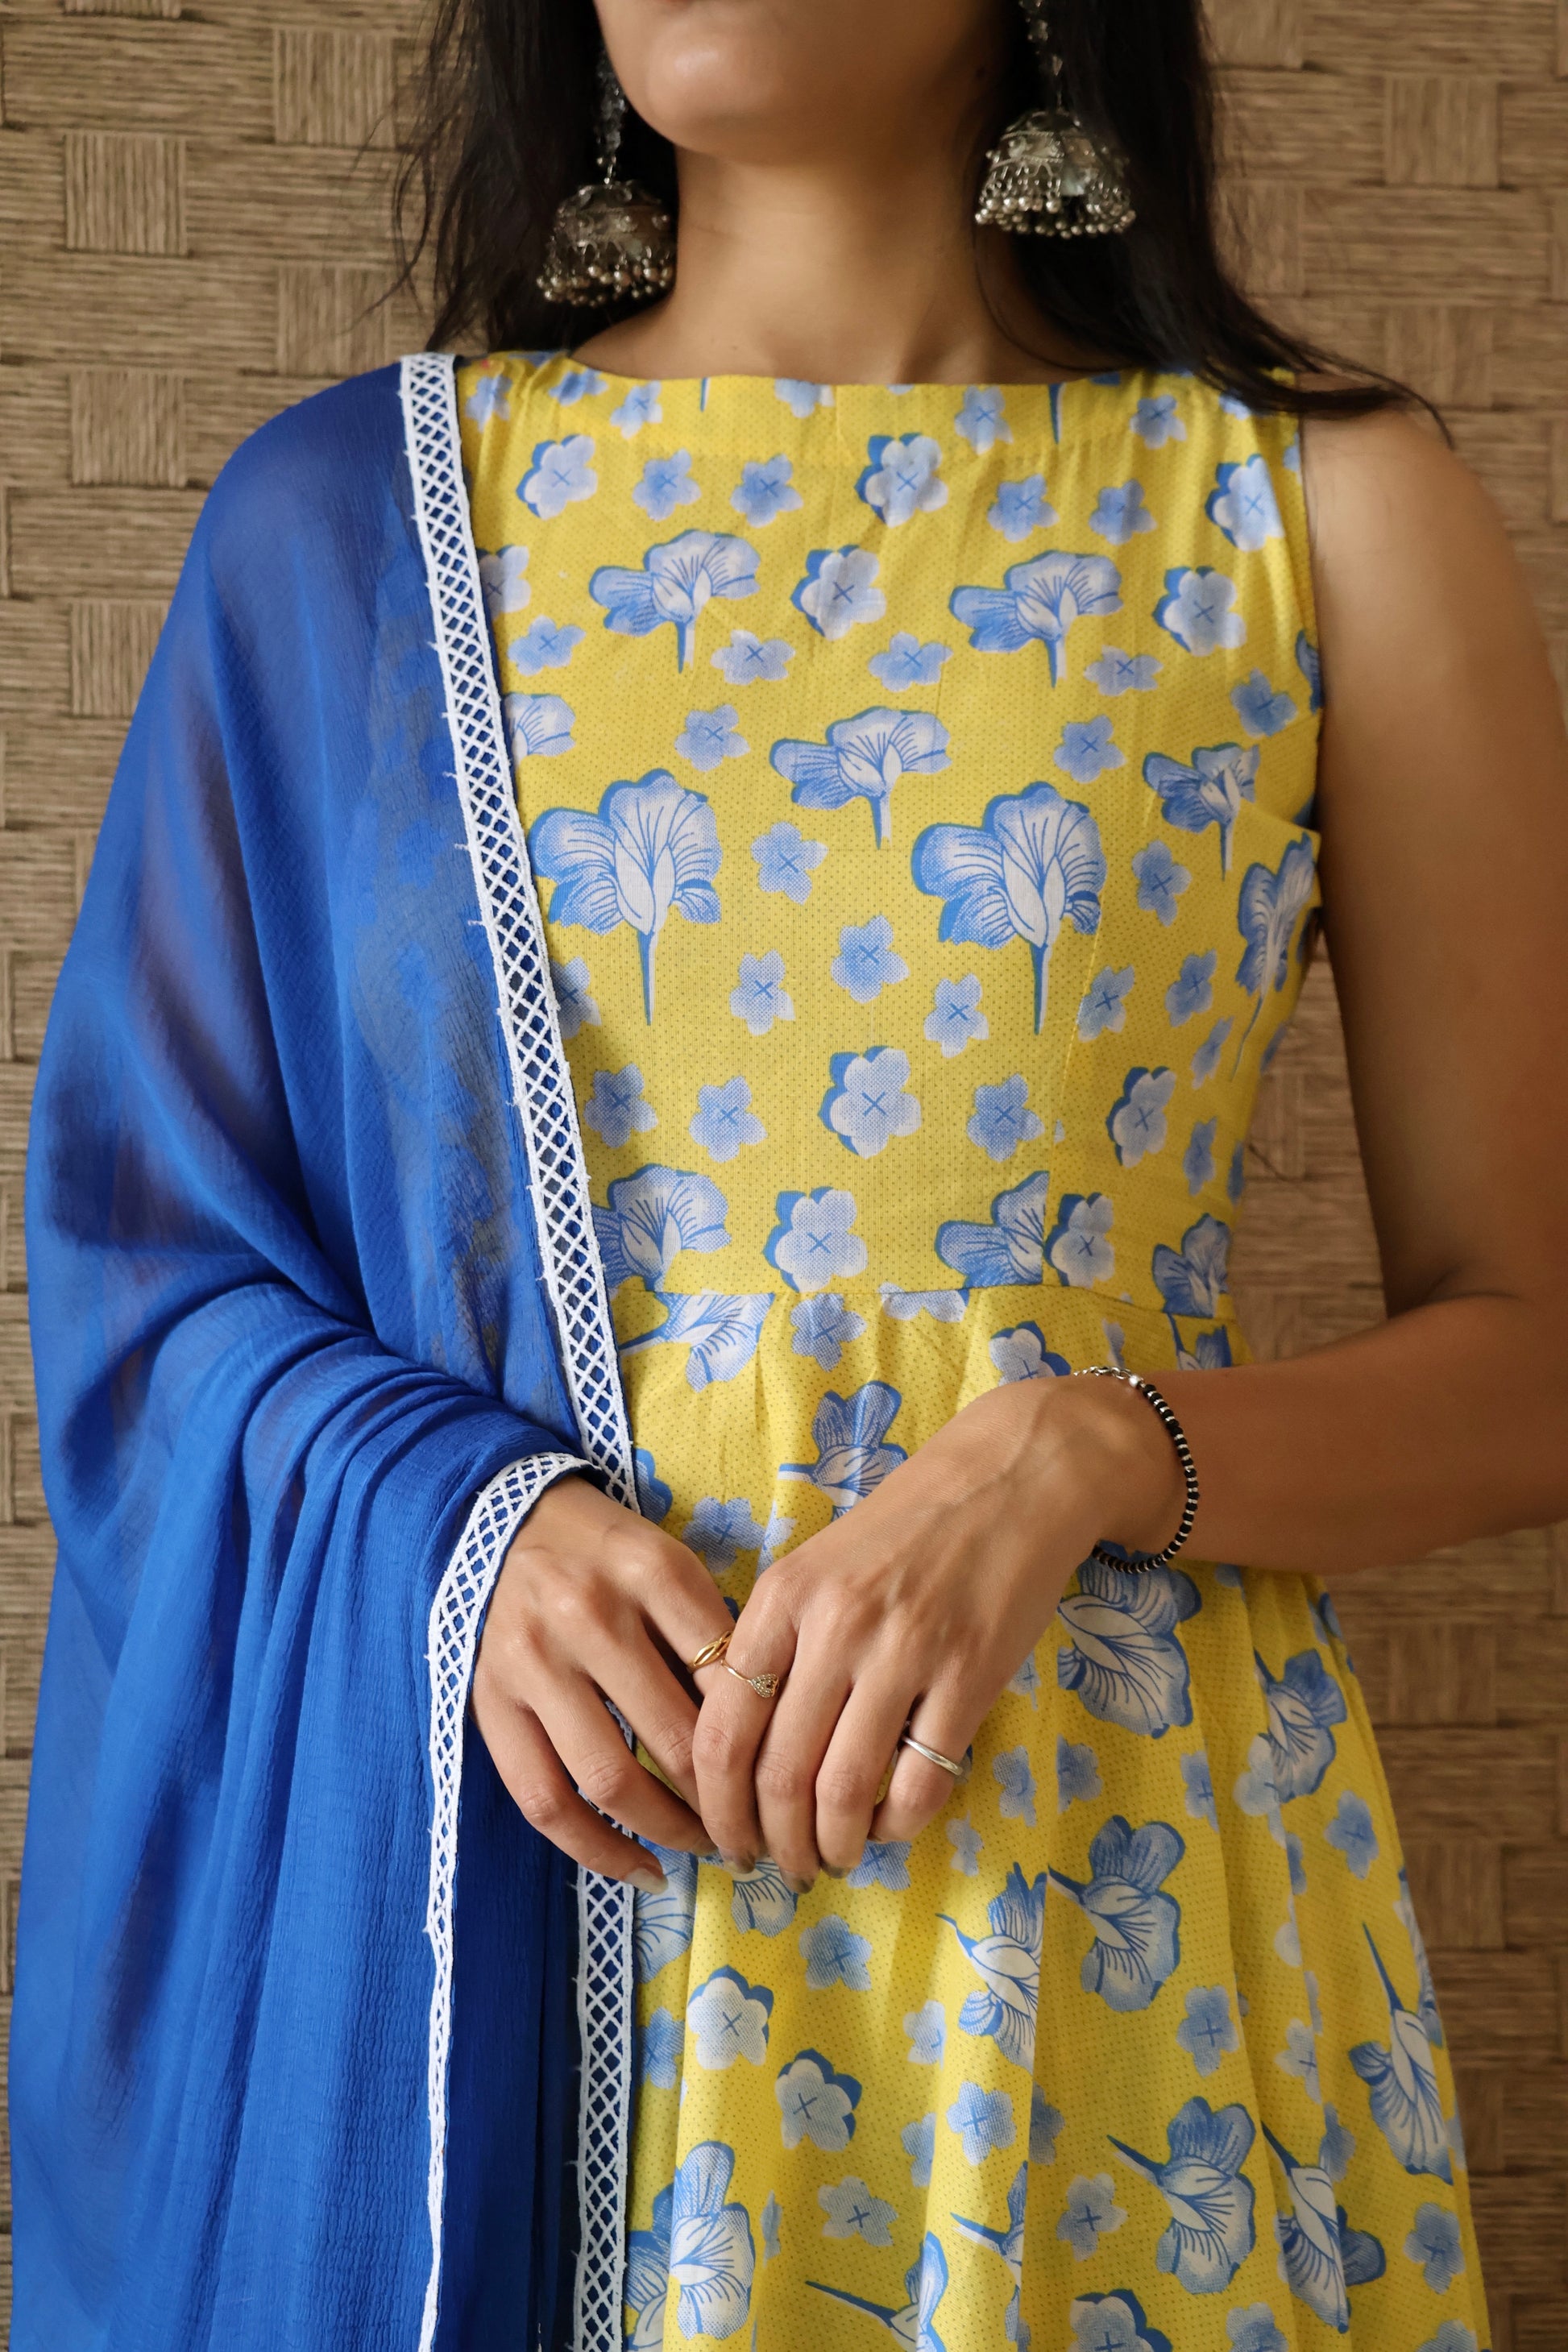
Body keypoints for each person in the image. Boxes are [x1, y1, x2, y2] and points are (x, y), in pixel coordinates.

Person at [13, 1, 1566, 2346]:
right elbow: (149, 1275)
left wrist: (1078, 1452)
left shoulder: (1304, 504)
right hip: (528, 1894)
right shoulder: (346, 529)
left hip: (1093, 1933)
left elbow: (1535, 1354)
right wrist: (464, 1532)